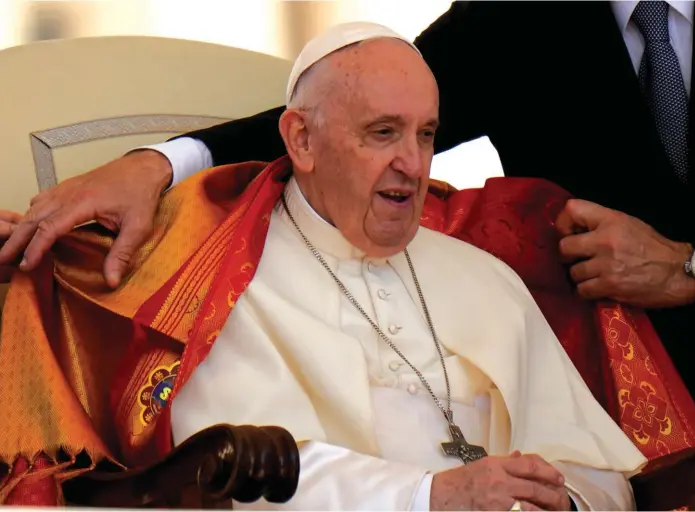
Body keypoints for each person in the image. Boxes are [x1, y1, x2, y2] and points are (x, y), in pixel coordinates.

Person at [0, 21, 657, 511]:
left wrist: (561, 500)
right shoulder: (223, 279)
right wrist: (428, 496)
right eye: (382, 133)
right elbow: (242, 475)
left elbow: (599, 474)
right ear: (301, 140)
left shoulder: (487, 279)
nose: (414, 162)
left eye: (425, 134)